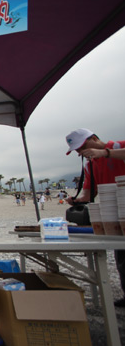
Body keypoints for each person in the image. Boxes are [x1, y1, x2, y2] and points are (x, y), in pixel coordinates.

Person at [64, 128, 125, 307]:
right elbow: (89, 192)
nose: (81, 152)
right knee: (121, 255)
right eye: (78, 150)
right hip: (112, 214)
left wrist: (105, 153)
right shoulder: (90, 165)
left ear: (94, 138)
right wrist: (77, 200)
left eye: (82, 147)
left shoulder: (117, 147)